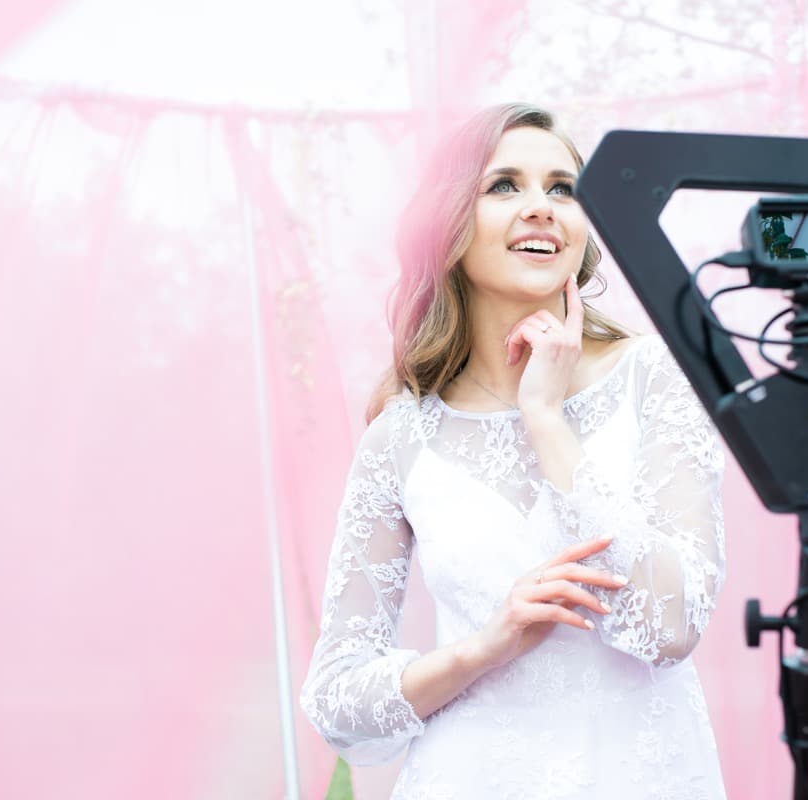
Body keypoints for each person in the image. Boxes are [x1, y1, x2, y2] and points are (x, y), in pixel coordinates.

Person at [299, 103, 728, 799]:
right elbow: (337, 701)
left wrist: (545, 418)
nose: (541, 207)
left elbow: (672, 626)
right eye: (505, 186)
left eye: (562, 188)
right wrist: (481, 647)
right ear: (448, 224)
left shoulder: (656, 378)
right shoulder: (400, 437)